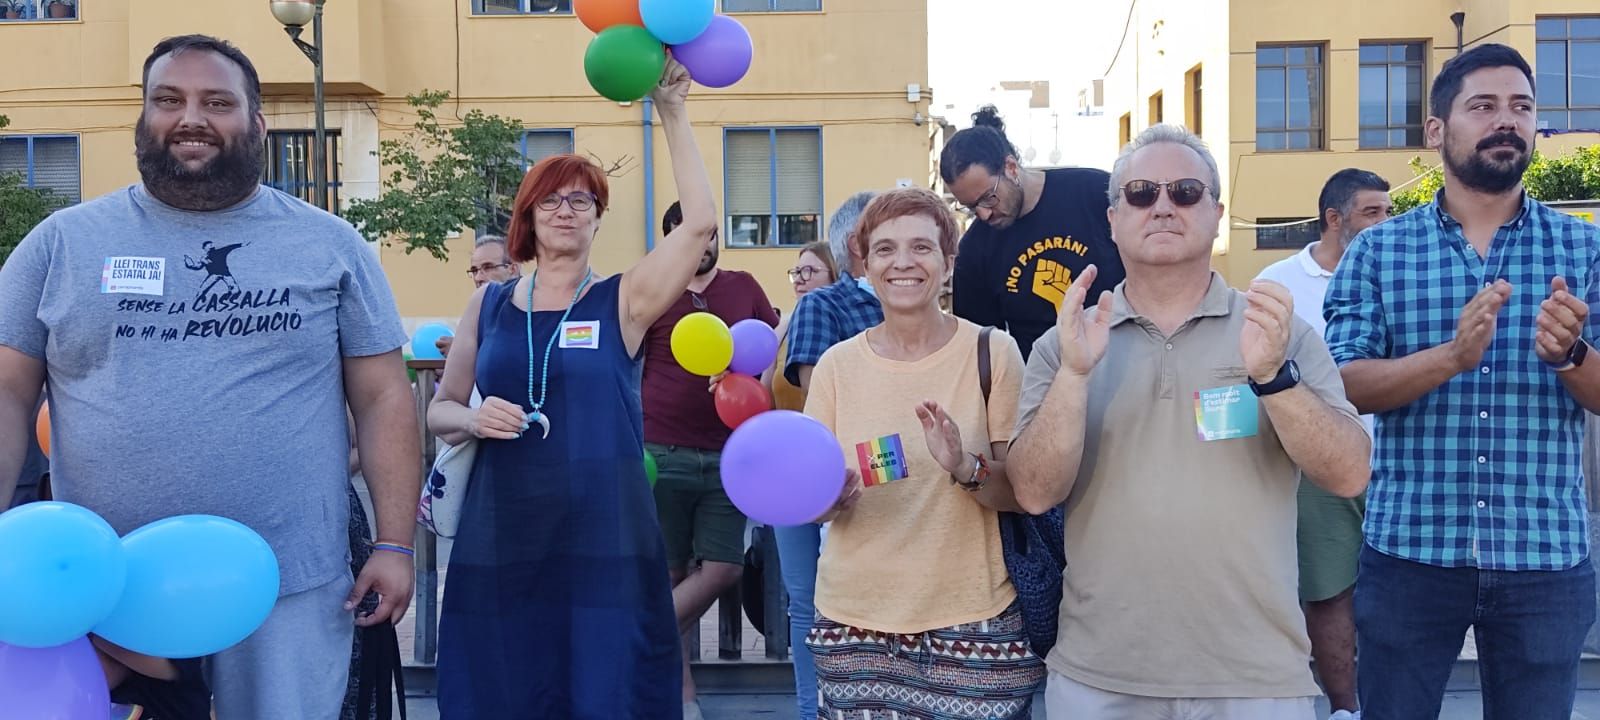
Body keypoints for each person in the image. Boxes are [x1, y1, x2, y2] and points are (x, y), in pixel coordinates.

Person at [0, 35, 420, 719]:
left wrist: (396, 544)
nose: (190, 118)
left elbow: (382, 399)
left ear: (256, 123)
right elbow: (7, 396)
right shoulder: (60, 244)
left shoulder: (330, 244)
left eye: (217, 102)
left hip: (290, 589)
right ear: (142, 118)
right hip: (109, 597)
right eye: (168, 100)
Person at [1006, 124, 1371, 719]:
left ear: (1217, 213)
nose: (1164, 207)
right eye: (1143, 193)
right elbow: (1034, 489)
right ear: (1113, 217)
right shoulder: (1066, 342)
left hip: (1257, 679)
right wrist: (1074, 376)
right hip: (1102, 677)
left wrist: (1275, 378)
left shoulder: (1277, 332)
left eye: (1185, 192)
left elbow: (1350, 473)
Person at [426, 58, 716, 719]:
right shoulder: (489, 304)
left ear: (596, 217)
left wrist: (672, 108)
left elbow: (697, 225)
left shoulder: (624, 301)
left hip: (601, 529)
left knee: (604, 683)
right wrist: (473, 421)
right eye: (551, 199)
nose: (566, 210)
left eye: (581, 200)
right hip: (504, 531)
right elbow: (441, 408)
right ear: (528, 215)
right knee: (503, 683)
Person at [1325, 44, 1600, 720]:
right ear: (1438, 130)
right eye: (1483, 106)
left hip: (1544, 555)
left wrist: (1571, 355)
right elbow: (1344, 385)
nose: (1506, 120)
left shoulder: (1583, 247)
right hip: (1411, 552)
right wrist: (1449, 358)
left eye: (1521, 107)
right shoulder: (1380, 249)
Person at [803, 187, 1044, 719]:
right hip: (854, 625)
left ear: (948, 261)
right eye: (885, 249)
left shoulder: (993, 352)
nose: (903, 262)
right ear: (864, 263)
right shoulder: (837, 368)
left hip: (976, 622)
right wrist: (827, 500)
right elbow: (811, 502)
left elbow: (1021, 493)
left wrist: (965, 466)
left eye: (921, 246)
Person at [1254, 168, 1390, 720]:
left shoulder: (1398, 271)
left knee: (1396, 597)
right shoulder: (1277, 282)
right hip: (1318, 466)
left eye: (1389, 210)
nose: (1386, 222)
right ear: (1335, 219)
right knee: (1330, 590)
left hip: (1400, 460)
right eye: (1373, 212)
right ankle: (1345, 709)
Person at [646, 199, 779, 718]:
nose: (703, 244)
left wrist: (749, 388)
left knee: (723, 568)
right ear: (671, 240)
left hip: (732, 456)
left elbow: (768, 347)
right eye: (691, 235)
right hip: (661, 450)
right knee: (672, 575)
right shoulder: (654, 291)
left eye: (709, 234)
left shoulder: (744, 286)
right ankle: (683, 699)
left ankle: (637, 634)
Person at [774, 190, 881, 720]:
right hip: (827, 481)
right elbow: (826, 411)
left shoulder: (921, 305)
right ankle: (810, 711)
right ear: (858, 246)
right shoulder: (824, 305)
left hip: (898, 485)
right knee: (810, 603)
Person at [944, 105, 1126, 360]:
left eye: (988, 198)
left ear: (1011, 168)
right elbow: (982, 347)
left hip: (1126, 364)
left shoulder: (1095, 192)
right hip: (1044, 385)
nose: (984, 214)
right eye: (971, 207)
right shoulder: (975, 250)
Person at [766, 240, 837, 412]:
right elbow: (765, 398)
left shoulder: (852, 324)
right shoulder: (782, 329)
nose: (798, 280)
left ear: (835, 274)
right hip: (786, 436)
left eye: (808, 271)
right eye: (796, 272)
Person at [438, 234, 521, 357]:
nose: (478, 277)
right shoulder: (477, 311)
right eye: (474, 270)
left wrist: (462, 353)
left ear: (513, 269)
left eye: (488, 267)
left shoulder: (529, 307)